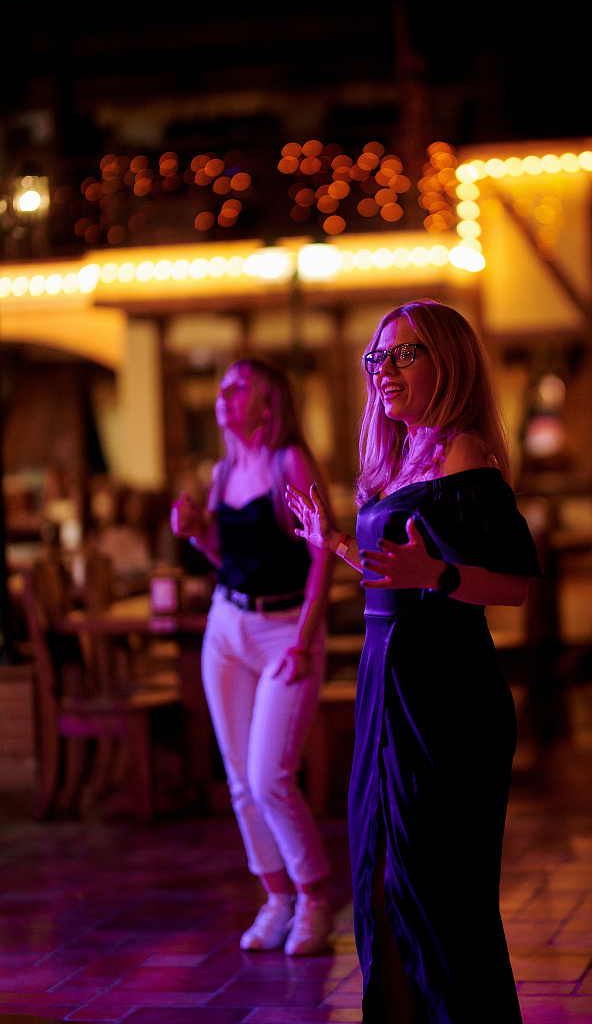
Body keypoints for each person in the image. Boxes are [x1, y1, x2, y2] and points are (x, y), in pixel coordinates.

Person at [287, 300, 541, 1022]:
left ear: (448, 362)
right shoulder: (394, 459)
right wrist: (337, 543)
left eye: (405, 354)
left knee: (433, 890)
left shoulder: (464, 453)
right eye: (378, 358)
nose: (385, 371)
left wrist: (440, 576)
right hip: (385, 680)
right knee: (378, 879)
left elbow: (515, 584)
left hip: (445, 691)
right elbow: (392, 577)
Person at [171, 358, 334, 956]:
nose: (225, 394)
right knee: (240, 781)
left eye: (239, 386)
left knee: (270, 778)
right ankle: (277, 898)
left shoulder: (289, 463)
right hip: (227, 625)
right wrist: (197, 534)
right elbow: (230, 560)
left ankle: (314, 897)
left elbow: (323, 553)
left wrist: (305, 639)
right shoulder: (222, 472)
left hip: (286, 629)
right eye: (222, 386)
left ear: (270, 400)